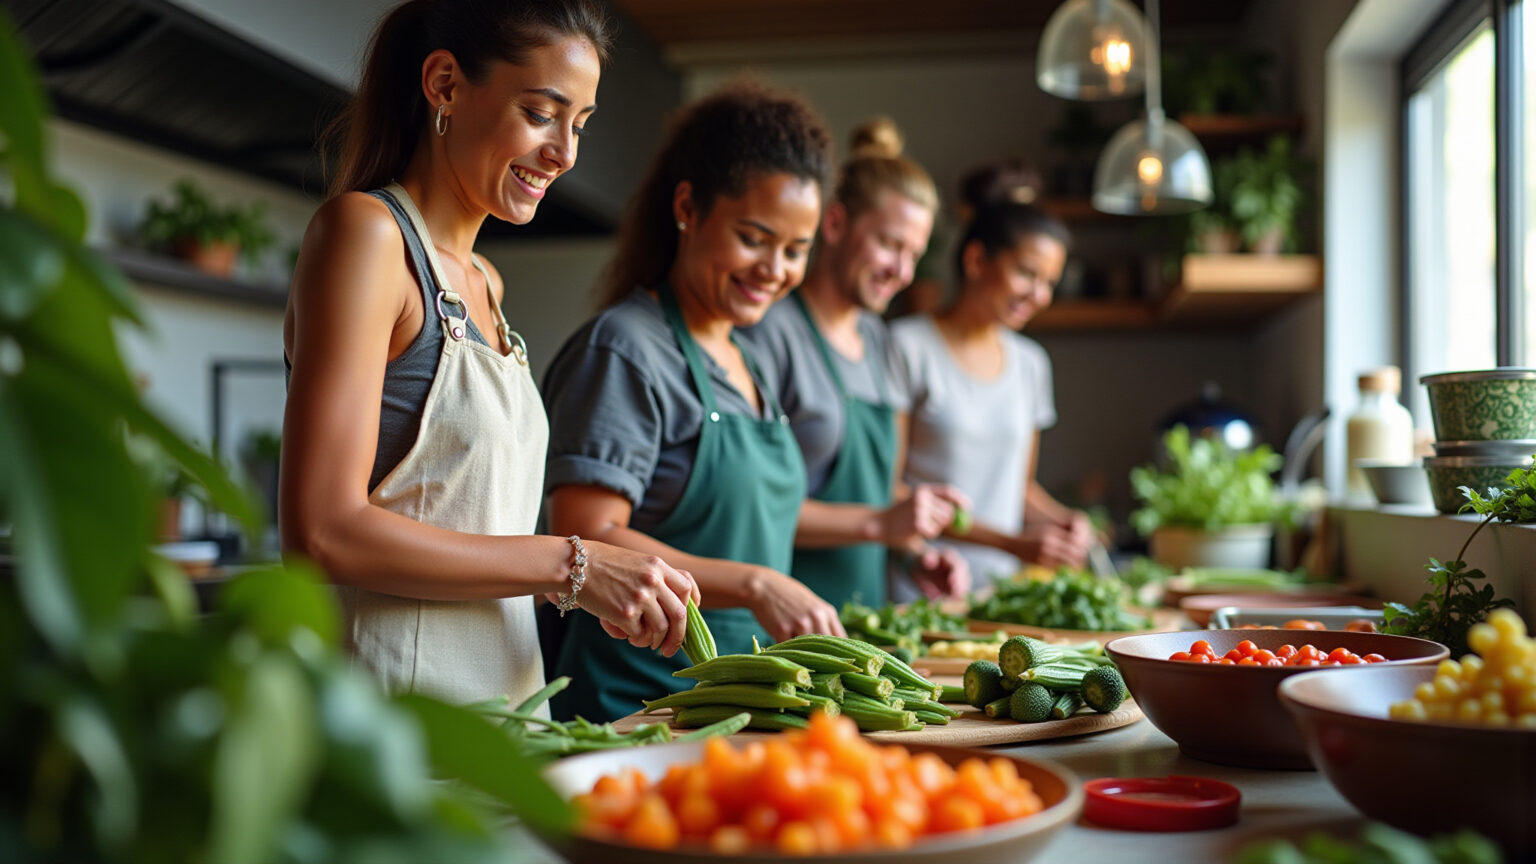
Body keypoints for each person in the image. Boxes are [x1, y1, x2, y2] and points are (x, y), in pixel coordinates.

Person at [279, 0, 698, 710]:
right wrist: (574, 563)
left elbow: (471, 530)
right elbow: (322, 532)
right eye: (541, 113)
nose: (565, 153)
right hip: (391, 732)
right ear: (444, 84)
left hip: (504, 719)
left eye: (580, 125)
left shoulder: (485, 285)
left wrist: (595, 585)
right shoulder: (368, 236)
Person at [540, 82, 843, 723]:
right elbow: (587, 536)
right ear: (688, 207)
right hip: (636, 713)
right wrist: (758, 585)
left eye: (796, 250)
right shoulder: (625, 351)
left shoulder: (749, 359)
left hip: (738, 709)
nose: (775, 268)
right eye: (754, 237)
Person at [742, 118, 970, 610]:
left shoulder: (879, 340)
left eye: (915, 254)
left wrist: (912, 552)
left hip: (867, 622)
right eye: (890, 244)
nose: (902, 272)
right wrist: (882, 523)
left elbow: (883, 489)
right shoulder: (770, 333)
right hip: (784, 628)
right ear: (836, 223)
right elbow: (754, 507)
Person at [889, 186, 1093, 597]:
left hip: (998, 596)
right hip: (922, 589)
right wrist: (1011, 543)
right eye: (1026, 273)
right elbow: (890, 490)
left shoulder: (1031, 364)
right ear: (976, 259)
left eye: (1049, 282)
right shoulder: (906, 346)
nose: (1039, 296)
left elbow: (1018, 487)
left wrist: (1061, 520)